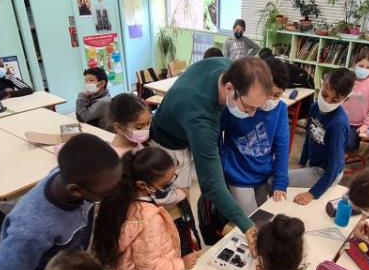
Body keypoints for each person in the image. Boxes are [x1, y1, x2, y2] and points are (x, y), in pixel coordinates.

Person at [0, 134, 122, 270]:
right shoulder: (31, 229)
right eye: (108, 191)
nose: (115, 192)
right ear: (76, 191)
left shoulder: (78, 182)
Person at [149, 57, 273, 249]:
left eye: (257, 108)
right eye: (248, 107)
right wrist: (247, 225)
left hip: (181, 121)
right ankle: (180, 242)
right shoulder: (201, 120)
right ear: (229, 89)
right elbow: (211, 185)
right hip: (169, 144)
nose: (251, 114)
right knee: (176, 200)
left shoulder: (226, 66)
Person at [93, 147, 198, 270]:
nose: (170, 188)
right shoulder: (149, 219)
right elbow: (150, 266)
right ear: (142, 185)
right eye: (166, 185)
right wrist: (182, 265)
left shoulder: (121, 200)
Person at [220, 55, 289, 215]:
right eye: (268, 94)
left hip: (263, 175)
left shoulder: (280, 110)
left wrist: (280, 181)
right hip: (238, 177)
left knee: (264, 217)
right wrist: (221, 169)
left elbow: (282, 147)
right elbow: (215, 137)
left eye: (277, 95)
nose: (269, 101)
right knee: (251, 222)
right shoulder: (238, 107)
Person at [289, 68, 355, 205]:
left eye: (335, 100)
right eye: (324, 94)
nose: (327, 102)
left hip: (327, 172)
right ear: (322, 83)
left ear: (345, 99)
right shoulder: (314, 107)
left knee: (277, 180)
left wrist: (312, 193)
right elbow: (309, 136)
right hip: (314, 164)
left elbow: (335, 166)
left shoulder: (337, 124)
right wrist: (302, 162)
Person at [342, 50, 369, 153]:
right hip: (342, 119)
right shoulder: (348, 77)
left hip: (359, 124)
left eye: (368, 67)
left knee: (349, 146)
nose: (364, 69)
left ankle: (355, 141)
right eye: (361, 65)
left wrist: (366, 124)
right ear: (354, 64)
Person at [109, 93, 151, 157]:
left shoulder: (138, 143)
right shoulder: (115, 158)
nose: (146, 130)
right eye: (139, 127)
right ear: (119, 127)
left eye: (148, 124)